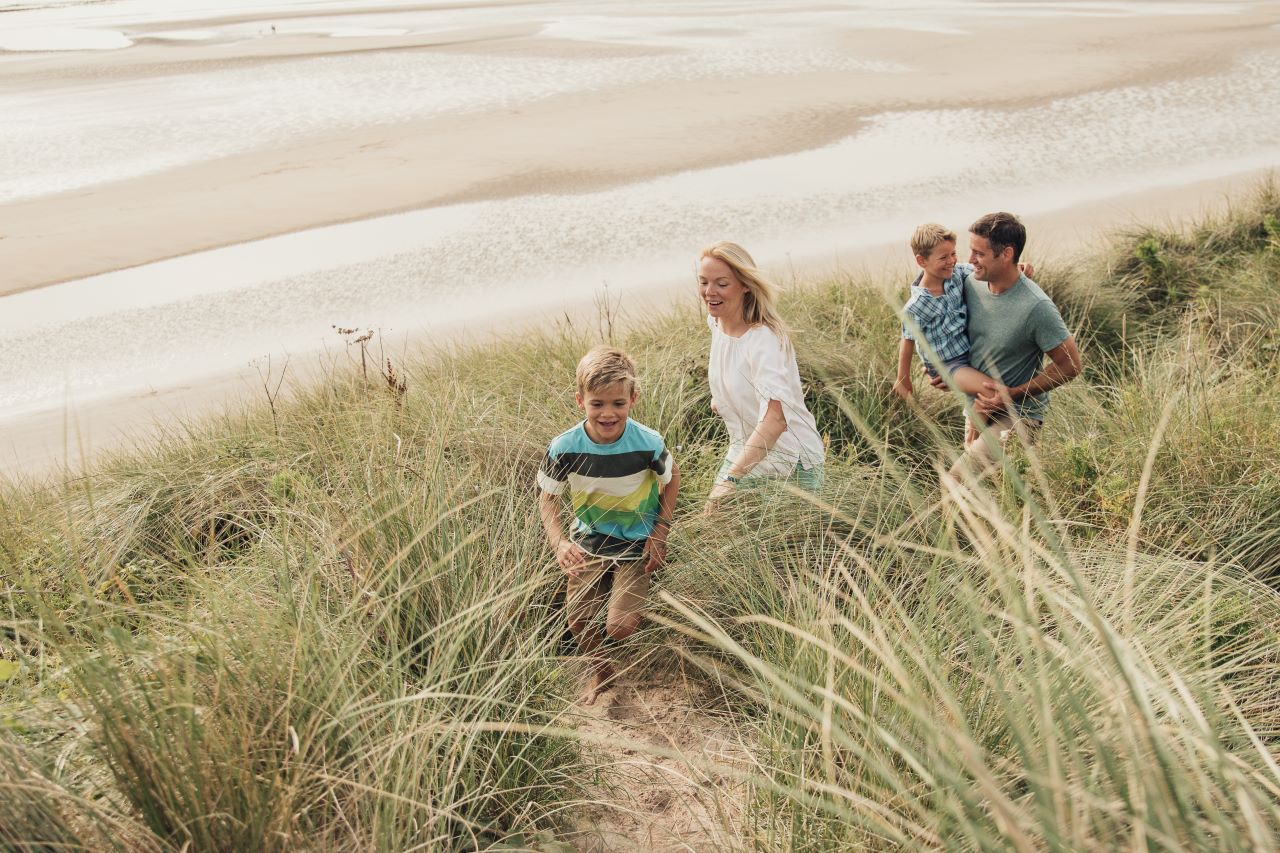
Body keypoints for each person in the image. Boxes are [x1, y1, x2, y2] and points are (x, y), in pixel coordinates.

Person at [538, 346, 680, 705]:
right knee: (579, 621)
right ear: (580, 400)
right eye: (597, 403)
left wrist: (660, 535)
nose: (608, 413)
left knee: (619, 627)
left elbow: (672, 477)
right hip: (587, 541)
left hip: (635, 543)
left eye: (618, 402)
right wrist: (559, 544)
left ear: (633, 398)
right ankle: (602, 671)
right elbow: (548, 498)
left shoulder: (647, 442)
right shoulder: (564, 447)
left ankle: (627, 602)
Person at [931, 212, 1082, 481]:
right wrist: (946, 371)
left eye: (979, 253)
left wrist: (1012, 393)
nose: (969, 260)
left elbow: (1071, 365)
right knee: (988, 491)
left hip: (1020, 416)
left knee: (955, 482)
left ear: (1006, 254)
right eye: (970, 251)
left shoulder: (1037, 307)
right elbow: (928, 303)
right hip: (977, 406)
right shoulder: (970, 283)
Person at [698, 241, 825, 509]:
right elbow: (735, 369)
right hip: (746, 448)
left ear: (745, 285)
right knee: (715, 522)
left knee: (787, 549)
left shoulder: (762, 340)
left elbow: (776, 420)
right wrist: (723, 399)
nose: (710, 292)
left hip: (791, 460)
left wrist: (730, 480)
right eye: (703, 282)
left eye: (721, 283)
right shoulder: (717, 323)